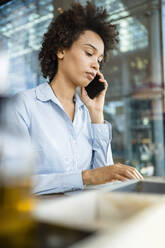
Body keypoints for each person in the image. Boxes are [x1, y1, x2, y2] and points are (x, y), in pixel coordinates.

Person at [11, 2, 143, 195]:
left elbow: (106, 182)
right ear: (61, 50)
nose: (96, 66)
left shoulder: (86, 113)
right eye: (89, 53)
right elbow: (13, 183)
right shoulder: (23, 105)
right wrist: (85, 177)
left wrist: (96, 114)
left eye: (99, 60)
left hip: (84, 217)